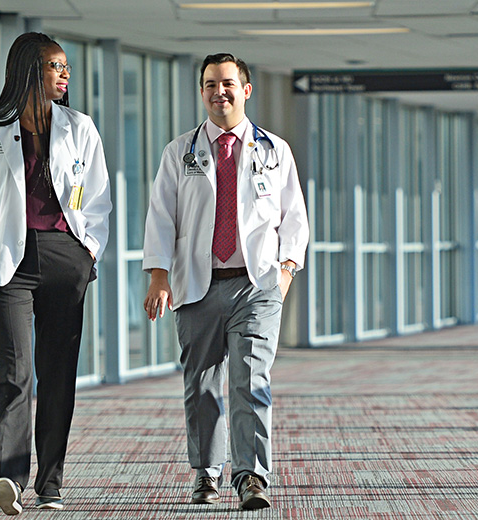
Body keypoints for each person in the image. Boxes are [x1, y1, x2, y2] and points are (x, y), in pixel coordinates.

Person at [0, 32, 111, 515]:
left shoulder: (81, 128)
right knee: (15, 373)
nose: (65, 74)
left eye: (66, 66)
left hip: (64, 257)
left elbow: (96, 201)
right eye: (56, 66)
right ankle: (8, 475)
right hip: (7, 262)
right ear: (30, 70)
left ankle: (50, 482)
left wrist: (87, 252)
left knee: (58, 374)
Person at [142, 53, 309, 510]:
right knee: (202, 382)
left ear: (246, 89)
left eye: (229, 83)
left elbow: (294, 217)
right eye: (211, 84)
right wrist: (159, 276)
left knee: (250, 379)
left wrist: (286, 270)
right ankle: (207, 471)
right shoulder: (180, 152)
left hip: (256, 285)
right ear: (202, 92)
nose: (221, 92)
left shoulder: (274, 150)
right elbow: (161, 217)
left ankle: (251, 475)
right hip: (196, 285)